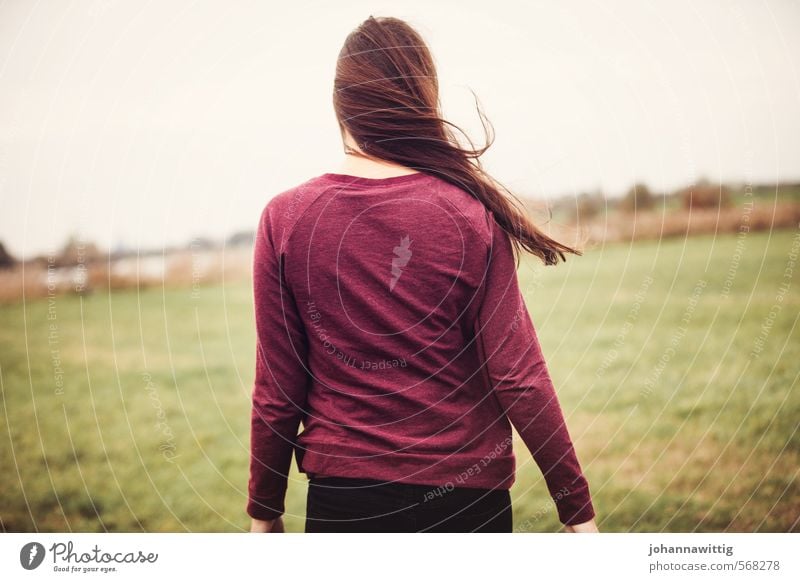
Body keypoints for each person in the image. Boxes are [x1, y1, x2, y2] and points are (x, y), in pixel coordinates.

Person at [248, 15, 598, 533]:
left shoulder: (286, 219)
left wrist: (265, 510)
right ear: (423, 101)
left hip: (344, 503)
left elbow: (278, 389)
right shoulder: (467, 214)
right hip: (467, 503)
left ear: (341, 104)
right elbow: (519, 377)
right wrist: (577, 513)